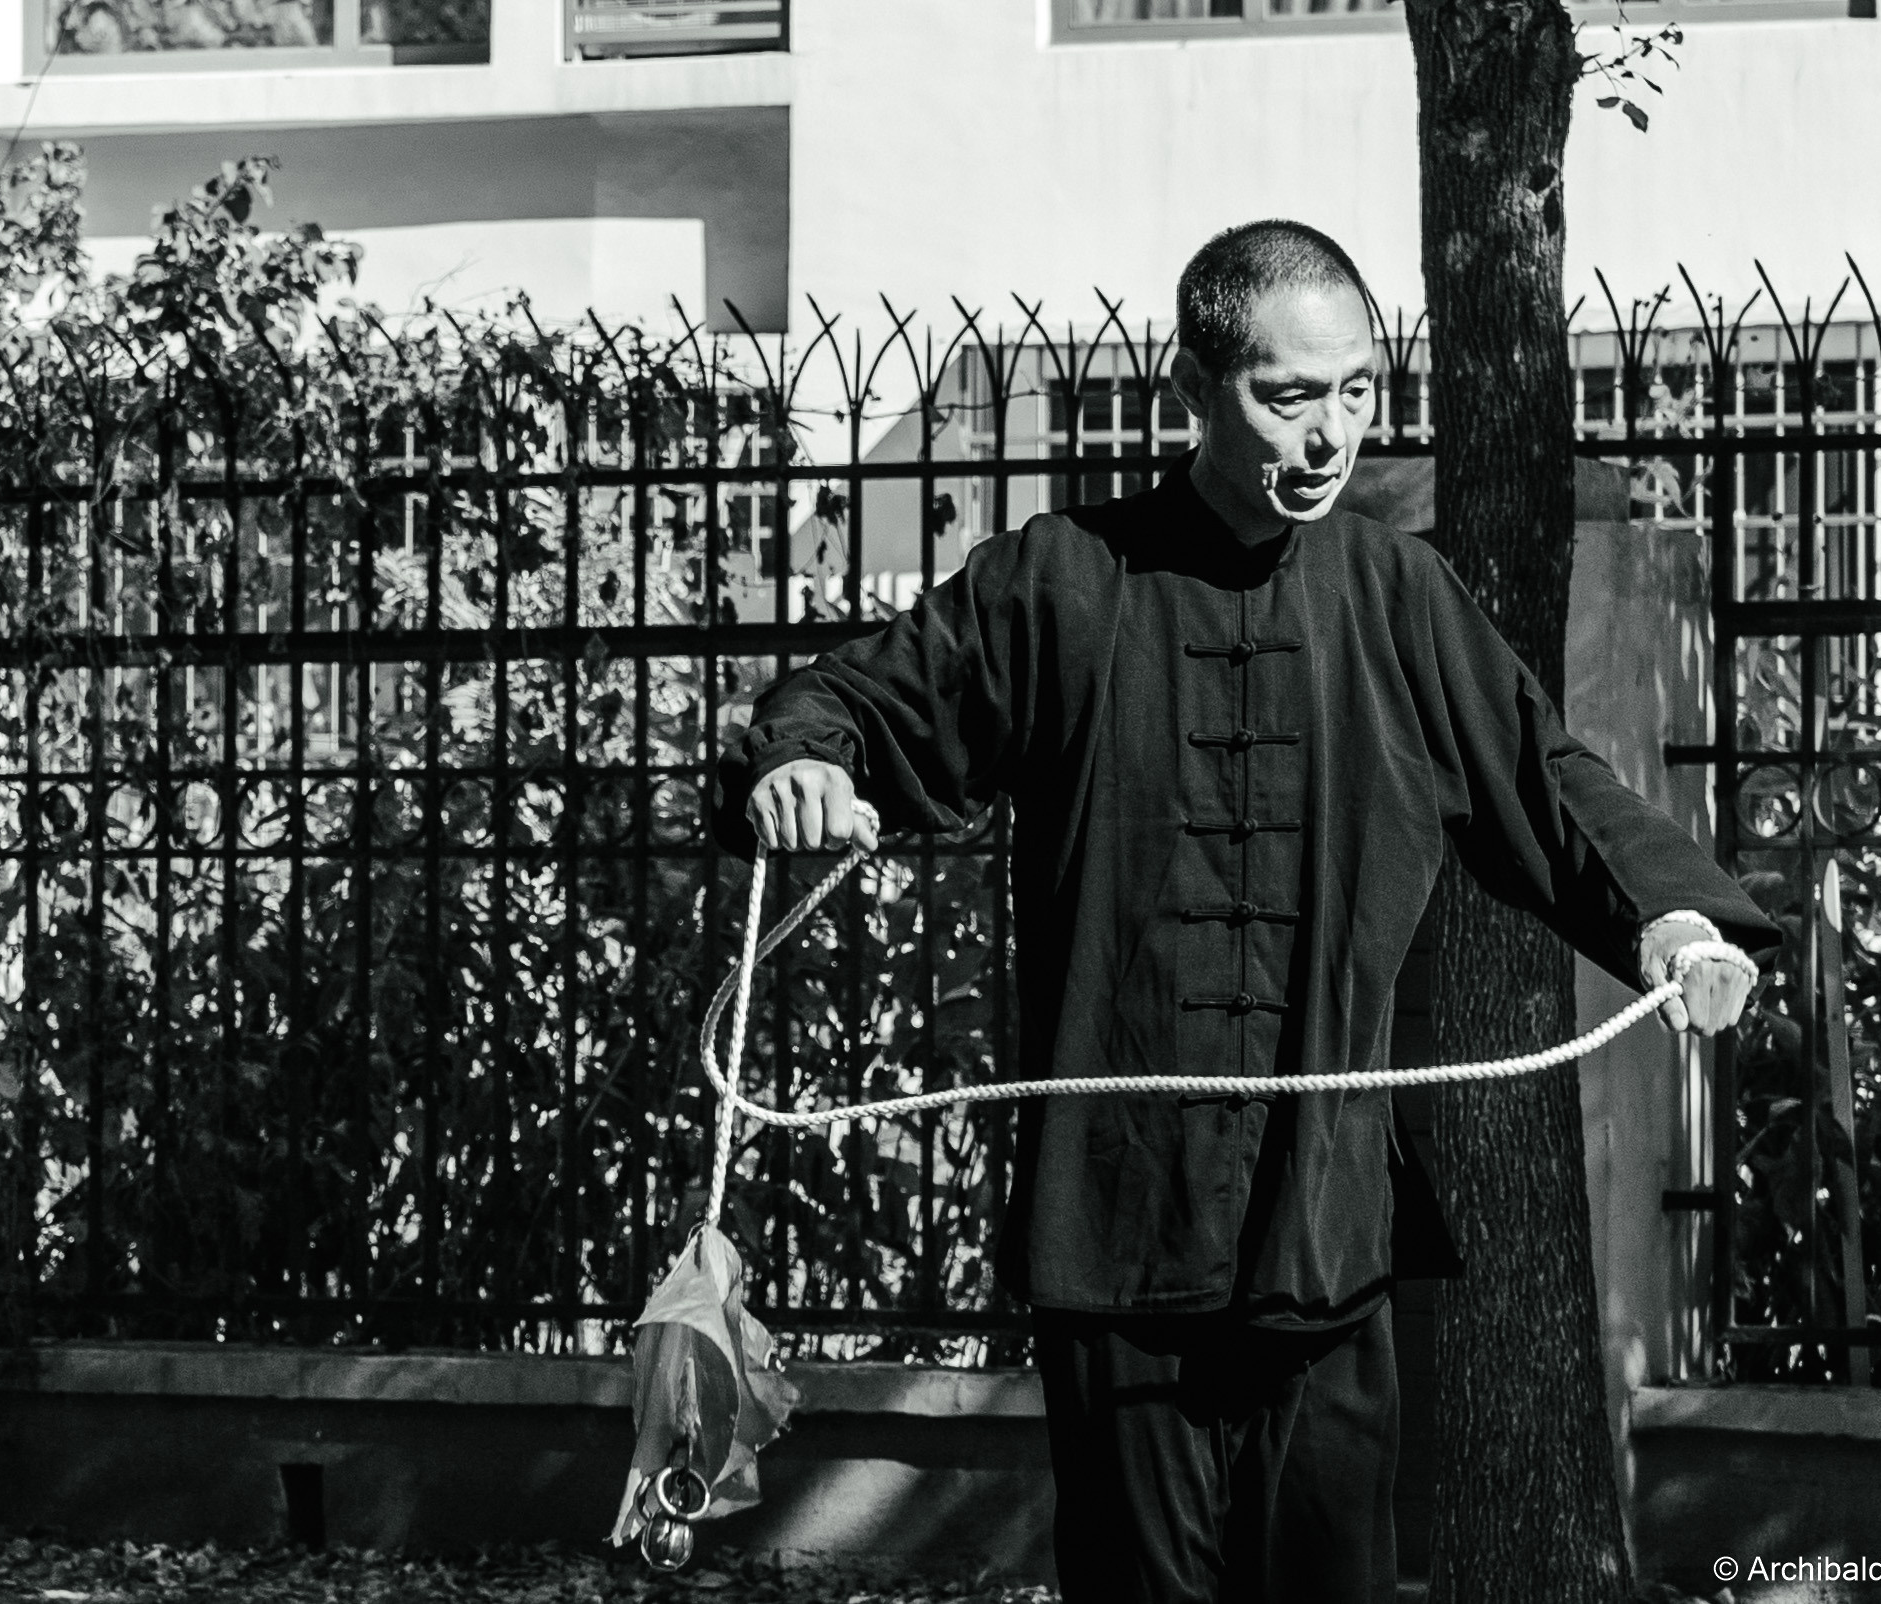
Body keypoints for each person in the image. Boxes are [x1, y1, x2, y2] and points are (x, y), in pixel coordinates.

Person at [714, 221, 1778, 1604]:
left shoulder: (1396, 595)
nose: (1331, 433)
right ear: (1190, 393)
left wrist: (1675, 918)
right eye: (1288, 395)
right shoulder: (1056, 582)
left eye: (1353, 390)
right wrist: (806, 759)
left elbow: (1549, 783)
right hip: (1115, 1233)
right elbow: (854, 700)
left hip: (1322, 1236)